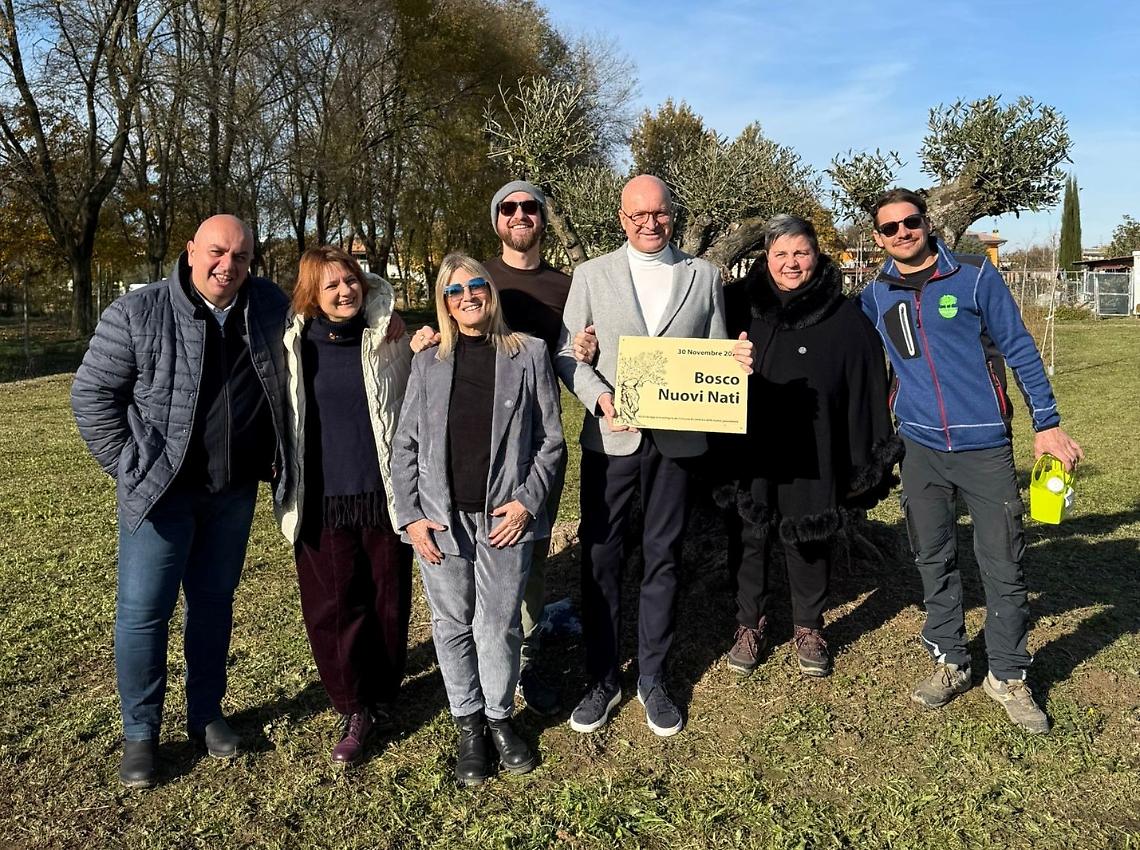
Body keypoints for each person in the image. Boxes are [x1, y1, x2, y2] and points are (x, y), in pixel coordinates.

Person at [71, 215, 290, 788]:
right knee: (144, 615)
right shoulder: (137, 313)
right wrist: (130, 465)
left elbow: (337, 311)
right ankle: (141, 734)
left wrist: (396, 328)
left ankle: (206, 714)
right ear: (190, 250)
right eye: (217, 252)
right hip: (161, 498)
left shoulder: (267, 306)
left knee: (214, 605)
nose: (228, 266)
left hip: (233, 492)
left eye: (242, 257)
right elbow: (92, 396)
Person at [860, 188, 1084, 733]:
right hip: (919, 448)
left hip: (985, 445)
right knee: (932, 556)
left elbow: (1020, 348)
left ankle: (1007, 674)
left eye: (910, 222)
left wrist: (1047, 424)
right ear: (877, 238)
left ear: (926, 222)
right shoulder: (875, 295)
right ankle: (950, 659)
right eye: (889, 228)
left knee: (1003, 562)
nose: (902, 233)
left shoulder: (976, 277)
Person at [555, 174, 752, 738]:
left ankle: (654, 677)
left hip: (678, 442)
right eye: (638, 214)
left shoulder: (704, 275)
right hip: (612, 439)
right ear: (622, 218)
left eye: (659, 213)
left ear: (673, 214)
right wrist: (599, 398)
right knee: (601, 559)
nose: (649, 222)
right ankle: (601, 677)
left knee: (664, 557)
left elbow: (713, 351)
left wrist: (734, 361)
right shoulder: (592, 275)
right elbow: (569, 357)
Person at [410, 180, 590, 717]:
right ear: (497, 220)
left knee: (526, 560)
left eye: (529, 207)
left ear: (541, 217)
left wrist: (581, 349)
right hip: (469, 458)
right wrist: (424, 338)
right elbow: (449, 339)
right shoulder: (478, 277)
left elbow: (564, 353)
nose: (519, 215)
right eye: (508, 207)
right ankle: (495, 680)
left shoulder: (566, 284)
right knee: (478, 584)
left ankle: (524, 661)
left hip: (526, 446)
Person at [392, 253, 565, 785]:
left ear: (490, 292)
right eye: (454, 290)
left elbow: (550, 442)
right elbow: (405, 445)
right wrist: (411, 517)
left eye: (476, 285)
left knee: (497, 625)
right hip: (441, 519)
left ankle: (499, 717)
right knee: (450, 624)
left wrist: (527, 501)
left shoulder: (529, 353)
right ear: (444, 303)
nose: (467, 296)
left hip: (503, 517)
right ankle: (467, 723)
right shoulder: (427, 363)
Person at [718, 215, 901, 679]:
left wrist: (865, 455)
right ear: (766, 257)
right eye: (780, 254)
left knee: (809, 536)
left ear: (816, 255)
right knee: (750, 536)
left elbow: (863, 386)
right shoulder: (736, 306)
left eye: (801, 252)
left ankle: (808, 625)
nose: (791, 263)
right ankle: (748, 624)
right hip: (750, 443)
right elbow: (696, 362)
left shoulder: (843, 315)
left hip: (815, 448)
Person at [275, 246, 413, 766]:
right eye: (331, 285)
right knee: (334, 605)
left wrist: (398, 318)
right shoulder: (291, 345)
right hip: (321, 498)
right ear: (311, 293)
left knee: (387, 596)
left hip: (383, 493)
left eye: (351, 281)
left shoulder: (386, 338)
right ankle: (353, 704)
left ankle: (383, 690)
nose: (345, 292)